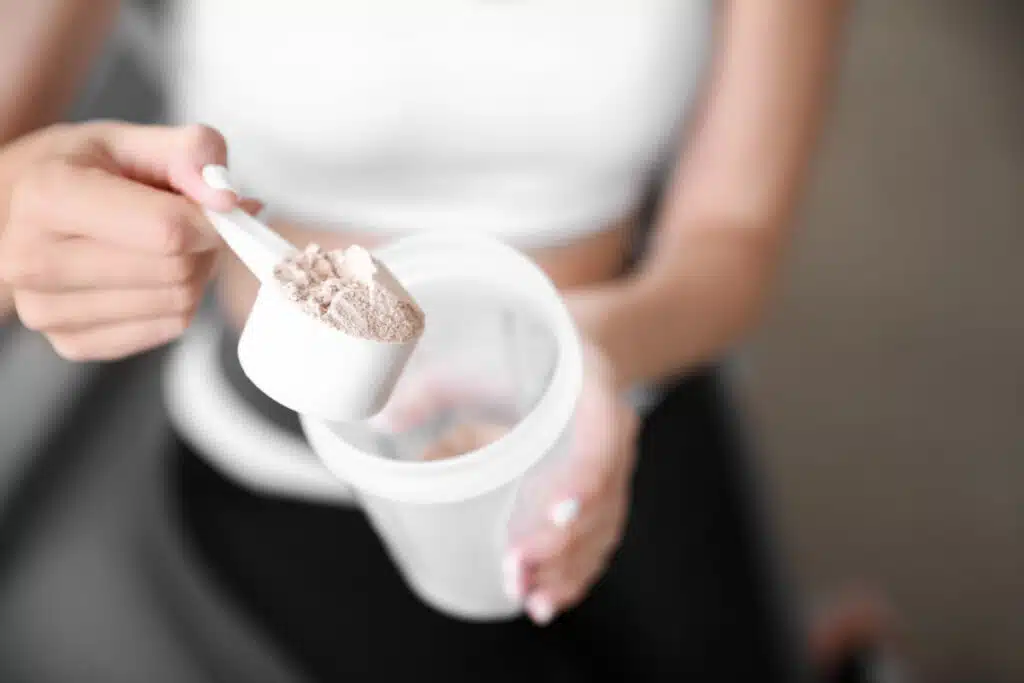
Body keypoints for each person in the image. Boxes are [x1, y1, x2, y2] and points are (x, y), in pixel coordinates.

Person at [0, 1, 856, 680]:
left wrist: (590, 354)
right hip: (289, 464)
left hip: (618, 388)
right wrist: (15, 218)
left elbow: (734, 233)